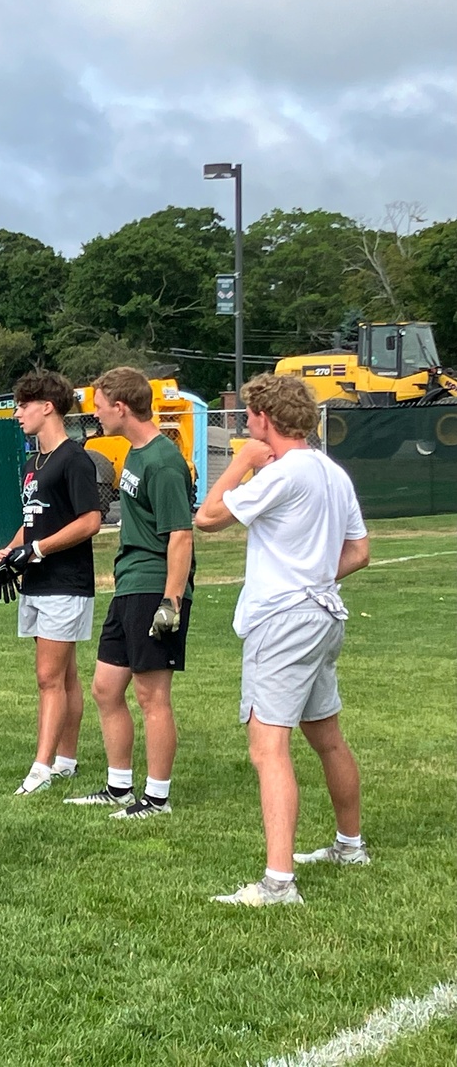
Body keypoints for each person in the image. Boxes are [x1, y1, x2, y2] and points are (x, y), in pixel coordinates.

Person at [194, 374, 370, 906]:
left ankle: (278, 882)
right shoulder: (332, 472)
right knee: (327, 737)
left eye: (249, 418)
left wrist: (243, 461)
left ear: (266, 420)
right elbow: (359, 552)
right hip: (321, 615)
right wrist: (314, 578)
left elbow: (206, 518)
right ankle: (349, 845)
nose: (246, 426)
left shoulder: (284, 472)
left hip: (283, 622)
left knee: (268, 748)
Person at [64, 366, 194, 820]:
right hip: (129, 585)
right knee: (105, 688)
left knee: (151, 696)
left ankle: (156, 798)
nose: (95, 413)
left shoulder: (162, 460)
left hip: (153, 587)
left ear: (121, 407)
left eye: (99, 406)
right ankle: (119, 787)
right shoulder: (136, 454)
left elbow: (180, 535)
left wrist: (171, 601)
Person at [0, 370, 102, 796]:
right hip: (39, 581)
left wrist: (38, 551)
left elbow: (90, 521)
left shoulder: (73, 458)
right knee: (65, 676)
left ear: (47, 406)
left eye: (23, 405)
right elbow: (33, 521)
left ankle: (40, 768)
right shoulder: (32, 463)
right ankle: (66, 761)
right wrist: (12, 550)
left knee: (48, 679)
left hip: (66, 582)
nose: (17, 413)